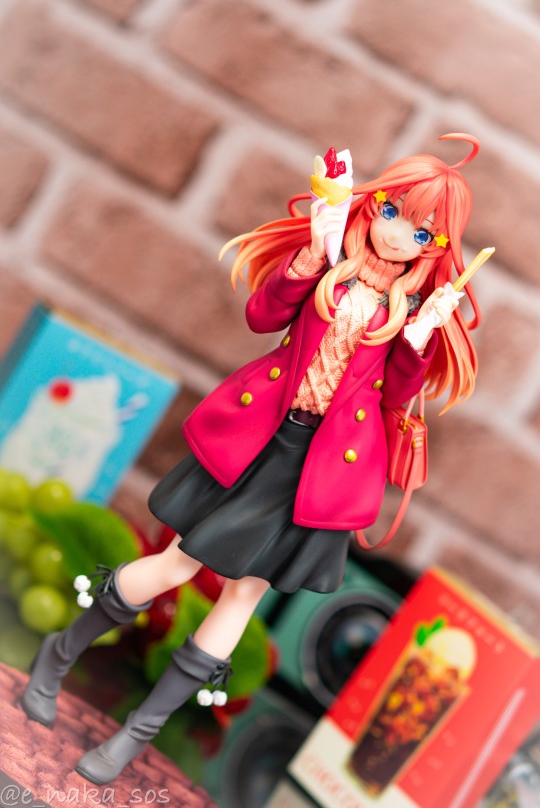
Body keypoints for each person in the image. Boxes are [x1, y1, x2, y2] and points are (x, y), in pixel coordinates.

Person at [21, 133, 482, 785]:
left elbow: (395, 396)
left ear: (436, 249)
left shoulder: (404, 314)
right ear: (371, 205)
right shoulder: (328, 267)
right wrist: (309, 256)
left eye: (423, 233)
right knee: (177, 562)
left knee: (242, 597)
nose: (400, 235)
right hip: (262, 439)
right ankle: (58, 654)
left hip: (318, 470)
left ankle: (133, 737)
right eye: (391, 212)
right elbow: (263, 316)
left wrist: (419, 335)